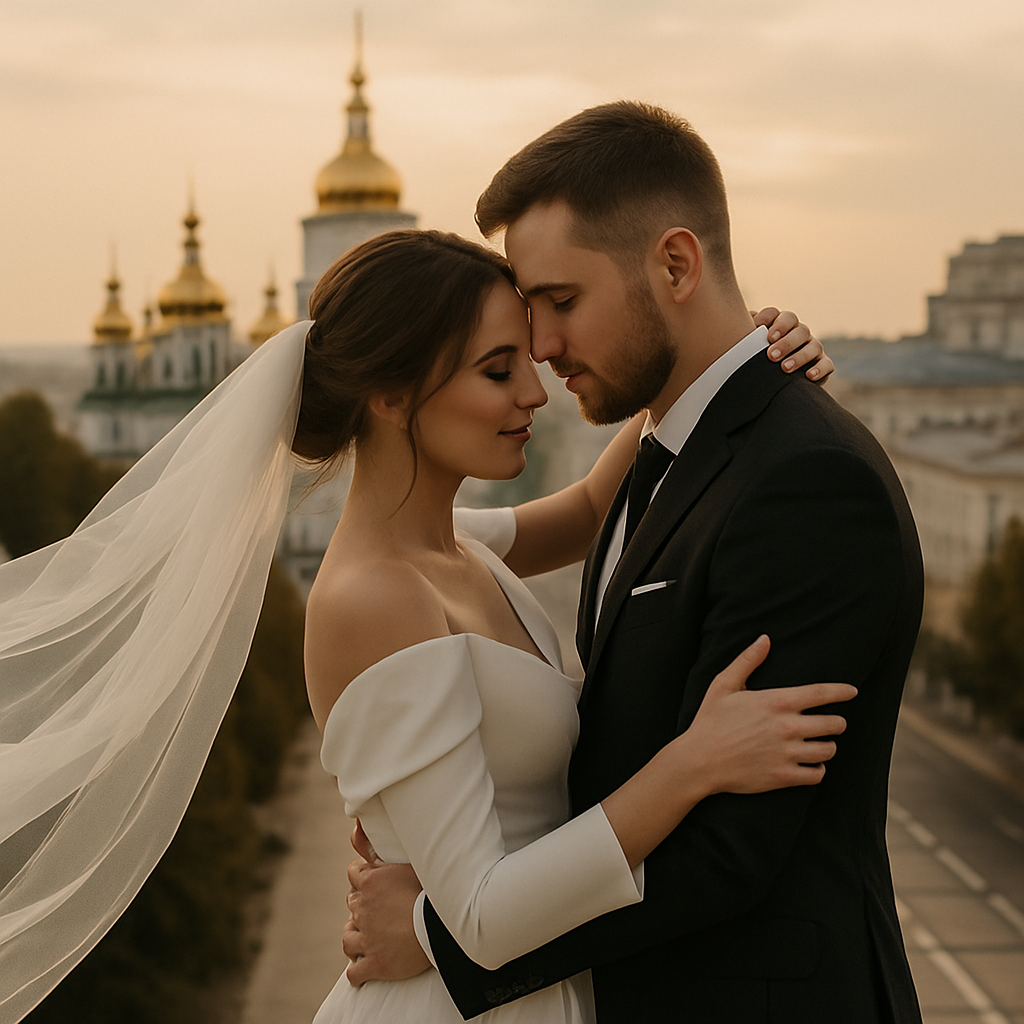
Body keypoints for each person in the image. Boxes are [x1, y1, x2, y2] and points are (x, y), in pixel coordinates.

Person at [0, 225, 835, 1024]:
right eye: (497, 370)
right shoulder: (376, 598)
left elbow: (589, 510)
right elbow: (482, 915)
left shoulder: (453, 544)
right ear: (393, 395)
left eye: (527, 360)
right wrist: (695, 763)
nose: (534, 392)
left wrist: (734, 360)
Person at [342, 104, 926, 1024]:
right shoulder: (660, 458)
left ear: (676, 265)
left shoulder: (807, 484)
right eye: (519, 331)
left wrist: (441, 939)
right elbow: (578, 512)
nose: (541, 351)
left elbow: (729, 854)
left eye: (561, 303)